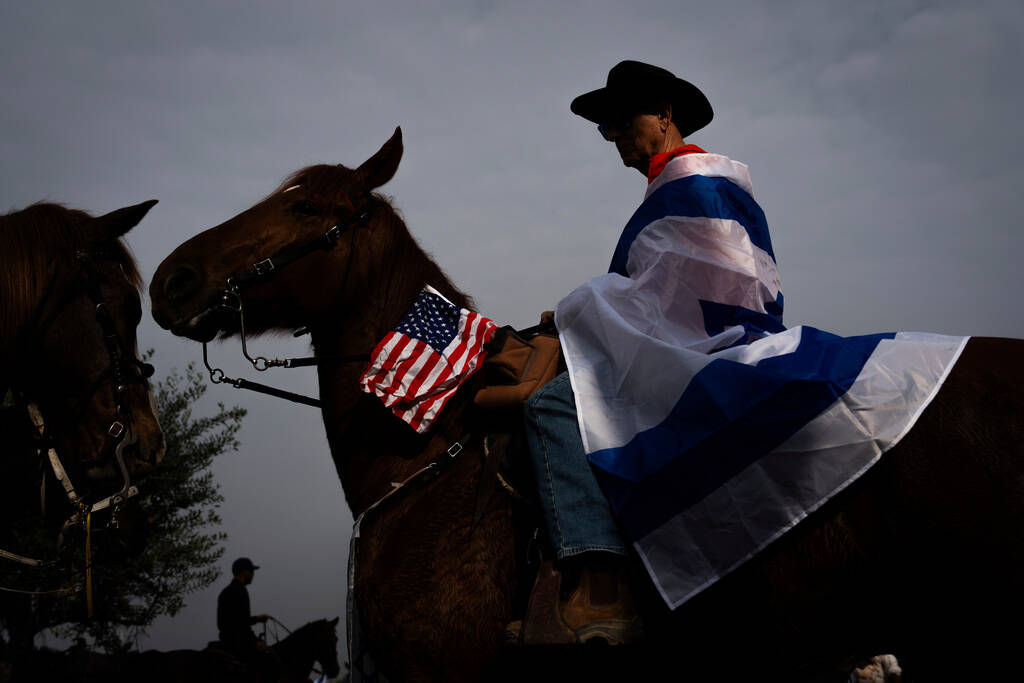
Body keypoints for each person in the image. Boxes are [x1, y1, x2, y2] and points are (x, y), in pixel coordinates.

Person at [524, 59, 963, 647]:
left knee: (552, 405)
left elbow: (676, 295)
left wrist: (583, 306)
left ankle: (601, 581)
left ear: (664, 116)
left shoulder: (691, 183)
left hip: (704, 342)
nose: (615, 139)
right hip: (706, 331)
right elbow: (681, 287)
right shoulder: (693, 185)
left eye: (623, 122)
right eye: (605, 130)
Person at [216, 557, 271, 658]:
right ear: (244, 572)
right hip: (238, 642)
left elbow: (228, 621)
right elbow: (241, 623)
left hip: (225, 639)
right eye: (251, 571)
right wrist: (255, 640)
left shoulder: (225, 591)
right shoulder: (240, 590)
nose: (253, 574)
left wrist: (257, 619)